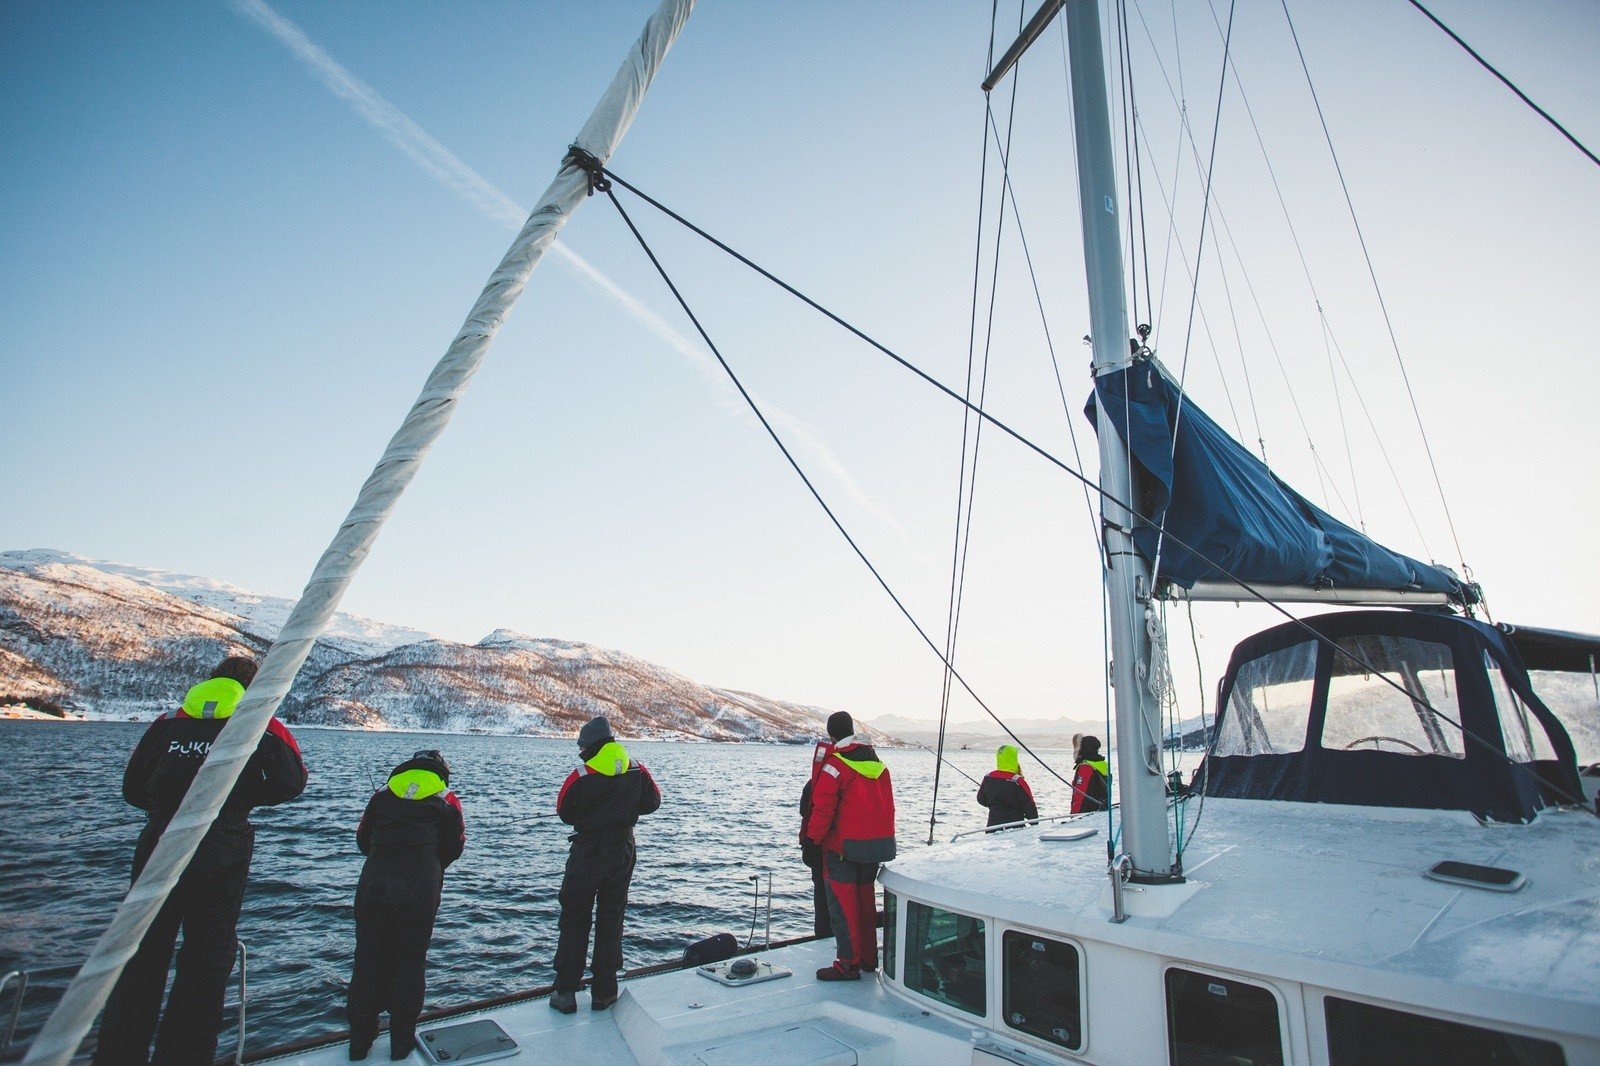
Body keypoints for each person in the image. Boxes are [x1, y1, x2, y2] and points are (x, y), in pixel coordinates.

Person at [95, 655, 307, 1066]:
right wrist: (236, 802)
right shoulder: (258, 718)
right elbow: (291, 782)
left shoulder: (168, 722)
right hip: (221, 846)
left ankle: (118, 1056)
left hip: (159, 840)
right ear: (254, 686)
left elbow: (133, 788)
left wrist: (168, 809)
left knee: (139, 956)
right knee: (205, 962)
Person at [346, 750, 465, 1061]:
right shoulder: (446, 798)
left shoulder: (382, 795)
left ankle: (359, 1041)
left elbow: (363, 839)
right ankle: (400, 1043)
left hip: (375, 882)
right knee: (410, 962)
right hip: (420, 887)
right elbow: (455, 846)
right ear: (442, 771)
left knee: (368, 958)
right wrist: (430, 866)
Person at [551, 716, 661, 1014]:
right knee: (611, 919)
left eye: (582, 745)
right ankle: (604, 993)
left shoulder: (581, 774)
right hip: (622, 852)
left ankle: (565, 992)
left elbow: (564, 811)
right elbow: (653, 802)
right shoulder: (636, 767)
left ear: (591, 744)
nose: (580, 750)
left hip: (587, 853)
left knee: (575, 918)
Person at [805, 712, 896, 982]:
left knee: (844, 906)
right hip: (875, 847)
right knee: (865, 903)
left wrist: (812, 840)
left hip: (843, 848)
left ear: (832, 736)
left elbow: (823, 809)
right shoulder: (878, 764)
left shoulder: (834, 766)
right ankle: (869, 960)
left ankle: (847, 964)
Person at [798, 775, 832, 938]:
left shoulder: (814, 782)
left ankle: (823, 936)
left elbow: (803, 810)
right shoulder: (853, 780)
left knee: (821, 895)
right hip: (843, 849)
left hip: (818, 849)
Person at [976, 744, 1038, 828]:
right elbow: (1030, 807)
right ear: (1014, 759)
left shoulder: (988, 777)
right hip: (1015, 828)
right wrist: (1035, 824)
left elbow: (981, 799)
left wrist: (996, 806)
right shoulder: (1017, 781)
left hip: (992, 826)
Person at [1070, 735, 1110, 814]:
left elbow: (1080, 796)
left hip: (1087, 815)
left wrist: (1074, 816)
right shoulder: (1103, 764)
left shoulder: (1086, 767)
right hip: (1100, 812)